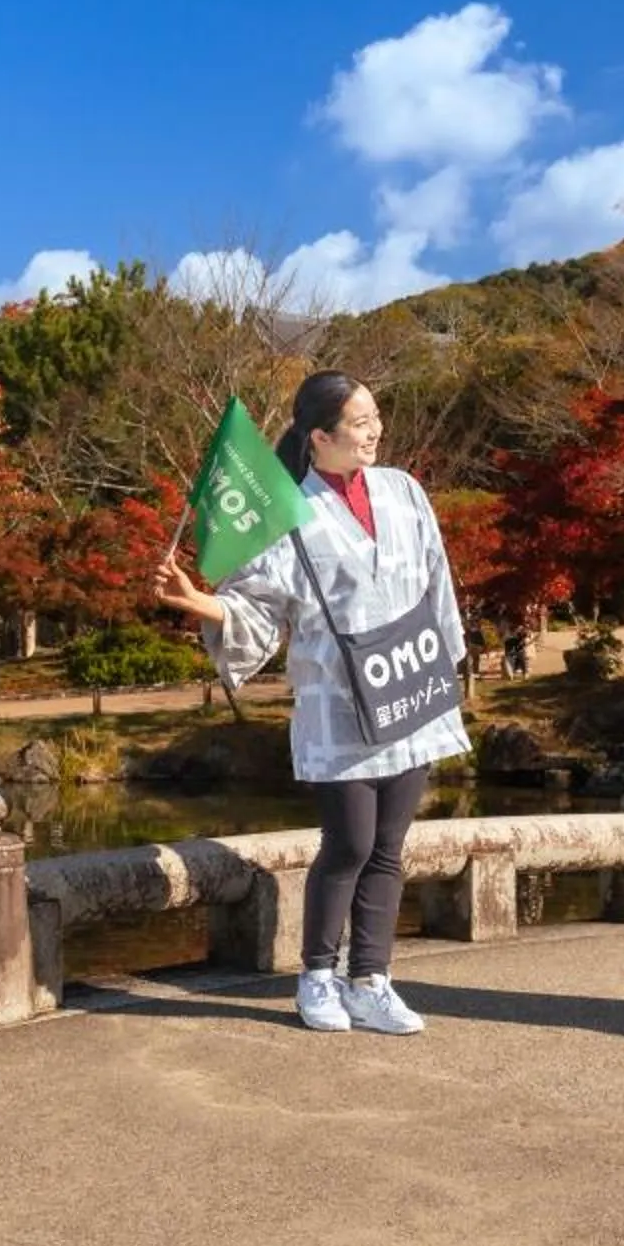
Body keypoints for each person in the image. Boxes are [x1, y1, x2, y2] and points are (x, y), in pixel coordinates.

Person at [153, 370, 475, 1035]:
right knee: (349, 843)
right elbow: (256, 609)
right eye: (358, 423)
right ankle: (318, 975)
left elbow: (437, 576)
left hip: (409, 682)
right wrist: (195, 599)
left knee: (390, 845)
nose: (374, 431)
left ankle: (373, 979)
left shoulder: (405, 492)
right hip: (337, 698)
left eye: (375, 416)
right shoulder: (288, 516)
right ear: (319, 436)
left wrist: (449, 659)